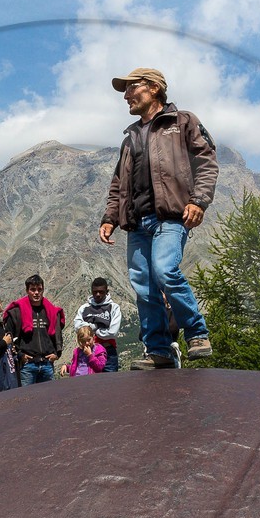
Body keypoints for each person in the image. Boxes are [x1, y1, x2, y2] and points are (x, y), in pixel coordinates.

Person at [98, 67, 216, 369]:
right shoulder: (130, 138)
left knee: (165, 270)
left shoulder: (182, 121)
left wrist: (199, 201)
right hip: (137, 223)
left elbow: (206, 161)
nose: (126, 96)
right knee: (144, 287)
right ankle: (159, 350)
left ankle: (196, 332)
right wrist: (110, 217)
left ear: (153, 87)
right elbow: (118, 183)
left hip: (171, 217)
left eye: (131, 88)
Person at [3, 274, 64, 387]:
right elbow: (8, 337)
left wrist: (57, 353)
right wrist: (20, 355)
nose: (36, 293)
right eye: (33, 289)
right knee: (27, 397)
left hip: (47, 364)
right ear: (27, 291)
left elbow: (58, 333)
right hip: (27, 365)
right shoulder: (17, 312)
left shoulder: (50, 311)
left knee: (49, 396)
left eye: (39, 289)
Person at [73, 277, 123, 372]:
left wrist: (92, 330)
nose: (98, 294)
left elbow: (112, 332)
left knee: (110, 380)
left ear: (106, 291)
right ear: (91, 291)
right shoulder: (84, 308)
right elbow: (77, 327)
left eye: (101, 292)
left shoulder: (113, 307)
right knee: (89, 380)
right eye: (95, 292)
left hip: (108, 352)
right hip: (88, 351)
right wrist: (96, 326)